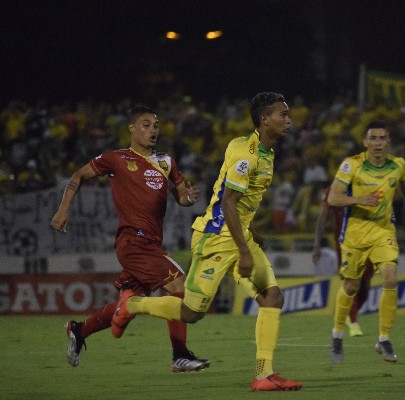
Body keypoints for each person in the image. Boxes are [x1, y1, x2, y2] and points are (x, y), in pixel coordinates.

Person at [111, 92, 302, 391]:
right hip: (216, 239)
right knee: (192, 312)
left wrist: (251, 233)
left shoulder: (259, 149)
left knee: (272, 297)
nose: (289, 120)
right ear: (265, 120)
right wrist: (245, 251)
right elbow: (228, 203)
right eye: (283, 114)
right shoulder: (248, 154)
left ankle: (263, 375)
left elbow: (237, 200)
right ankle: (132, 304)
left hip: (238, 233)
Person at [50, 105, 209, 372]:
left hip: (150, 243)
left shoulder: (166, 162)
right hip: (134, 242)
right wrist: (63, 209)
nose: (153, 130)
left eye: (156, 125)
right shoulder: (116, 159)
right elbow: (79, 175)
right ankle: (179, 355)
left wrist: (188, 198)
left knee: (129, 303)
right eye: (146, 125)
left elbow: (182, 197)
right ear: (132, 128)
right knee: (180, 284)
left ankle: (79, 330)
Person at [327, 120, 405, 364]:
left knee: (390, 278)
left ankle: (384, 338)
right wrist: (358, 199)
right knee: (351, 286)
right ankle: (337, 334)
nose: (378, 143)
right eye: (373, 138)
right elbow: (333, 198)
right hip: (356, 233)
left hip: (383, 230)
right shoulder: (351, 165)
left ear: (389, 142)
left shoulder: (398, 165)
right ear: (365, 142)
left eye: (382, 138)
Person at [312, 184, 374, 337]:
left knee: (365, 286)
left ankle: (346, 312)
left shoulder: (365, 185)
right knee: (351, 281)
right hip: (345, 242)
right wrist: (317, 245)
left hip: (366, 240)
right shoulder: (332, 190)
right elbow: (322, 218)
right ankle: (353, 321)